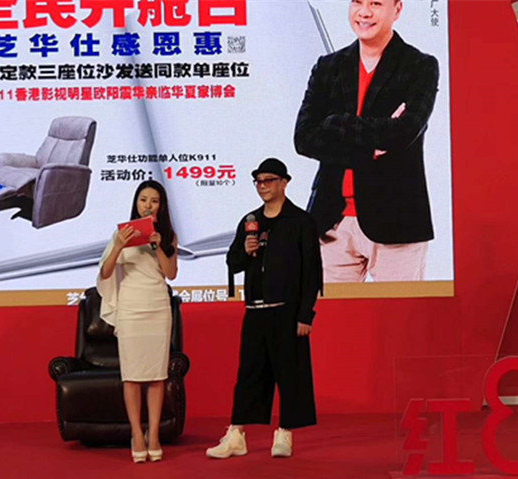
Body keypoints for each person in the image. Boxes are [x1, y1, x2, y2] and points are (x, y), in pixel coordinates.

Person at [294, 0, 439, 283]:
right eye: (357, 2)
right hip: (331, 222)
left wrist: (335, 122)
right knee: (330, 313)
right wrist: (372, 147)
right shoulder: (328, 67)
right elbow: (304, 138)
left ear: (397, 9)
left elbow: (403, 133)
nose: (364, 12)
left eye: (375, 3)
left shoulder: (420, 66)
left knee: (400, 312)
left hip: (397, 222)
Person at [206, 158, 322, 459]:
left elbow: (312, 272)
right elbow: (233, 262)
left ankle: (285, 433)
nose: (263, 186)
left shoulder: (300, 221)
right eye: (258, 181)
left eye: (269, 180)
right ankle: (236, 434)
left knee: (290, 373)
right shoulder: (250, 221)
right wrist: (245, 251)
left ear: (284, 182)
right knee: (249, 373)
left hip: (287, 310)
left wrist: (305, 314)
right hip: (255, 310)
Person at [97, 180, 178, 463]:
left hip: (157, 307)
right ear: (136, 202)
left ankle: (153, 434)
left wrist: (158, 246)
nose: (148, 205)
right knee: (131, 376)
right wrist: (118, 246)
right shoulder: (122, 233)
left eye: (154, 201)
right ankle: (137, 434)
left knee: (156, 376)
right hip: (131, 308)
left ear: (161, 206)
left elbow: (171, 273)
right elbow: (106, 273)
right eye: (143, 200)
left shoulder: (167, 235)